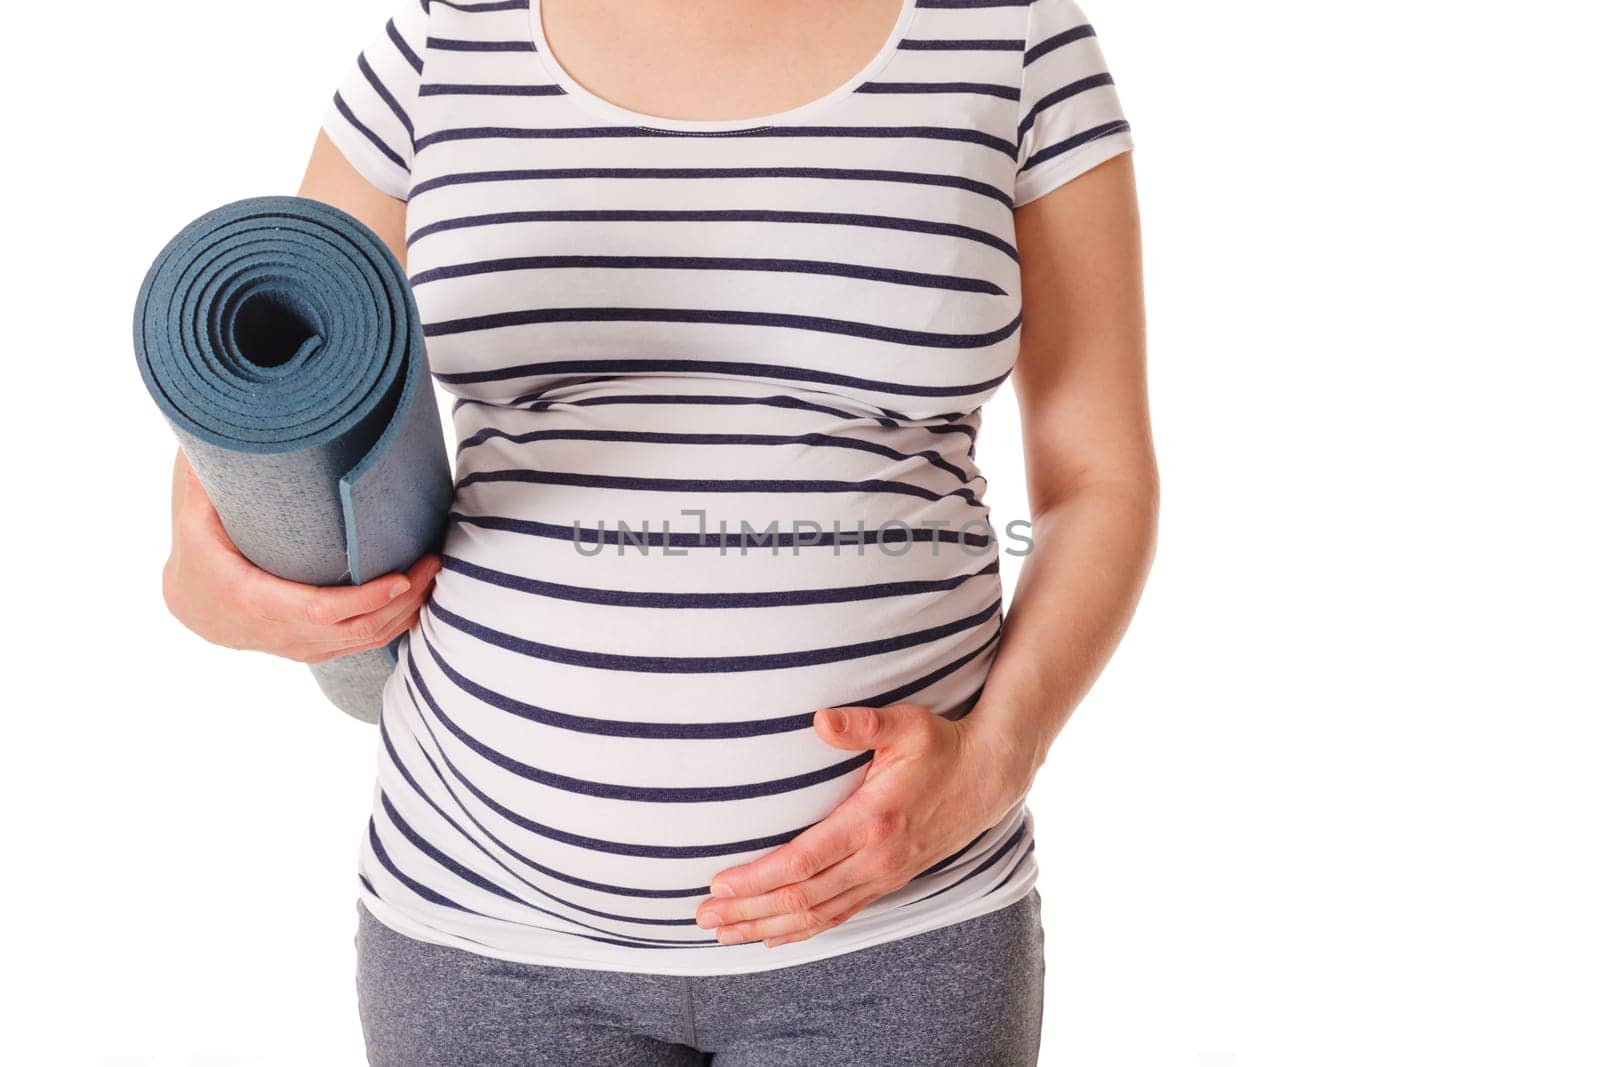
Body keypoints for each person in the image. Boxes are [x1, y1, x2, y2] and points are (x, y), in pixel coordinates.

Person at [160, 0, 1157, 1062]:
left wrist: (996, 759)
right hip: (482, 928)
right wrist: (211, 589)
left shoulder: (1010, 34)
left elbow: (1101, 476)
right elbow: (267, 401)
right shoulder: (445, 40)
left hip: (900, 928)